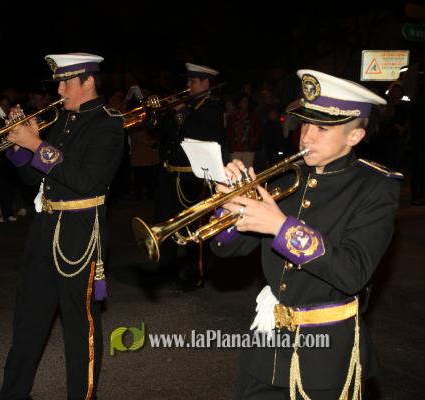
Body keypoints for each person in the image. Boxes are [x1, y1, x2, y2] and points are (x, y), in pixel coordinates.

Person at [211, 70, 402, 398]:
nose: (306, 137)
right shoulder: (288, 176)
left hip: (325, 353)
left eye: (322, 128)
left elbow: (351, 272)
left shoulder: (375, 187)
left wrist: (280, 227)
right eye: (305, 124)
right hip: (265, 344)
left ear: (354, 137)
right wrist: (229, 208)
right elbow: (229, 249)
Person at [0, 53, 124, 400]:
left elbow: (86, 180)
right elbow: (37, 180)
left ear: (89, 82)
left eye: (66, 82)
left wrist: (36, 144)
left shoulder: (109, 123)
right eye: (59, 82)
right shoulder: (63, 121)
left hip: (80, 232)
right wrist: (19, 147)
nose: (59, 89)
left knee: (79, 326)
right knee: (29, 319)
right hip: (45, 226)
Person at [154, 62, 229, 290]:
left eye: (193, 81)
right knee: (164, 222)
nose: (188, 85)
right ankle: (166, 270)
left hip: (193, 178)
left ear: (206, 83)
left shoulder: (213, 107)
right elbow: (164, 132)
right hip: (170, 174)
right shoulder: (186, 105)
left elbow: (201, 131)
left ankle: (193, 274)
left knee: (192, 228)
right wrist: (156, 115)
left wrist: (180, 113)